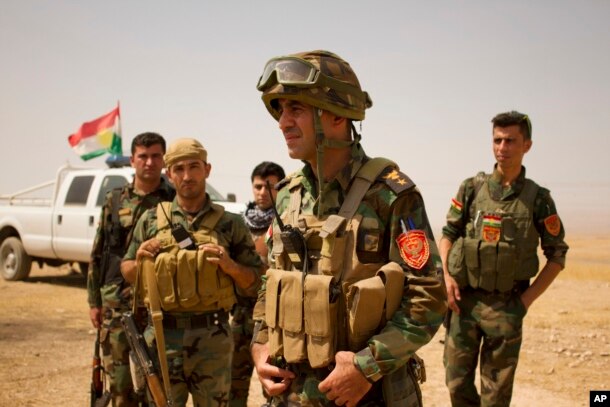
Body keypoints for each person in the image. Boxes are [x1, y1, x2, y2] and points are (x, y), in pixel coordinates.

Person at [250, 50, 447, 407]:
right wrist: (260, 346)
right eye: (280, 111)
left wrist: (366, 366)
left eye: (296, 109)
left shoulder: (390, 194)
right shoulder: (287, 197)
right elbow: (271, 283)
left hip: (367, 396)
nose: (282, 122)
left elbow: (428, 299)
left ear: (336, 114)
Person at [121, 138, 263, 406]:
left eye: (194, 167)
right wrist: (140, 263)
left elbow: (256, 282)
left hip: (212, 339)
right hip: (162, 338)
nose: (187, 176)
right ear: (169, 174)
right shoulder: (151, 220)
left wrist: (230, 266)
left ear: (207, 170)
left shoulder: (229, 224)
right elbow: (126, 270)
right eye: (179, 168)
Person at [440, 111, 569, 406]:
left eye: (510, 141)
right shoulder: (471, 188)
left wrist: (524, 302)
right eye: (497, 140)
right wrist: (447, 279)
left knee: (496, 397)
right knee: (456, 384)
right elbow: (448, 233)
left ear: (527, 145)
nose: (502, 148)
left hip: (507, 307)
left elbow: (557, 255)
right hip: (464, 304)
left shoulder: (538, 198)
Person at [87, 132, 175, 406]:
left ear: (163, 160)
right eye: (143, 156)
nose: (149, 162)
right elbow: (99, 252)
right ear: (132, 160)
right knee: (119, 383)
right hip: (116, 301)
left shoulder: (174, 199)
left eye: (155, 156)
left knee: (155, 381)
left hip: (157, 303)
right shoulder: (115, 200)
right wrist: (94, 301)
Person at [230, 161, 285, 407]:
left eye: (270, 187)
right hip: (241, 313)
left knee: (275, 388)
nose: (263, 192)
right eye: (258, 186)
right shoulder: (238, 225)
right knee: (233, 386)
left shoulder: (286, 223)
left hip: (274, 318)